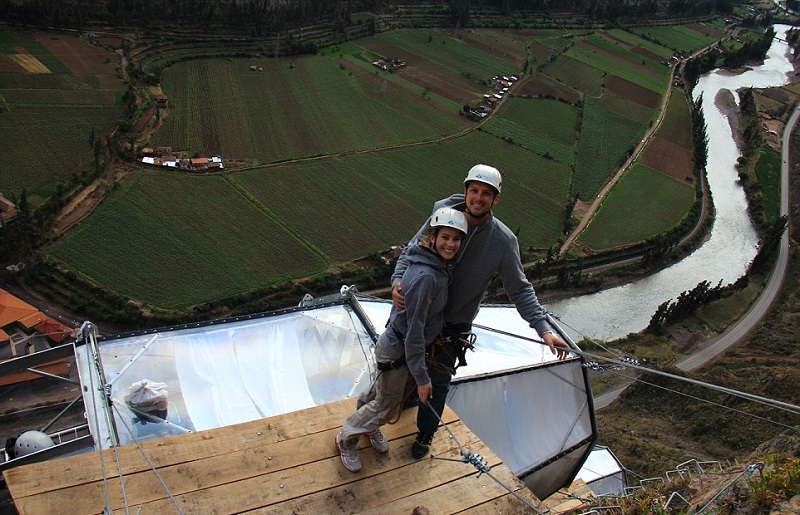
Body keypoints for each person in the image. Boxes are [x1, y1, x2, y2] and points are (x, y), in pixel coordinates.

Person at [392, 163, 570, 459]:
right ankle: (395, 406)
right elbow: (413, 250)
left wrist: (544, 329)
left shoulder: (502, 241)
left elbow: (520, 288)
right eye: (474, 190)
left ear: (495, 199)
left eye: (486, 193)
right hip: (417, 309)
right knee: (396, 366)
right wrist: (398, 282)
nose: (478, 198)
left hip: (452, 326)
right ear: (465, 191)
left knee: (437, 382)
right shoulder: (443, 215)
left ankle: (425, 433)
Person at [335, 207, 468, 473]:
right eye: (445, 237)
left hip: (394, 346)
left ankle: (367, 427)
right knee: (386, 404)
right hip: (399, 350)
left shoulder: (432, 265)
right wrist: (421, 378)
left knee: (379, 393)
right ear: (433, 237)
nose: (450, 244)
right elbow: (415, 330)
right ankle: (347, 439)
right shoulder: (427, 277)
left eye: (456, 239)